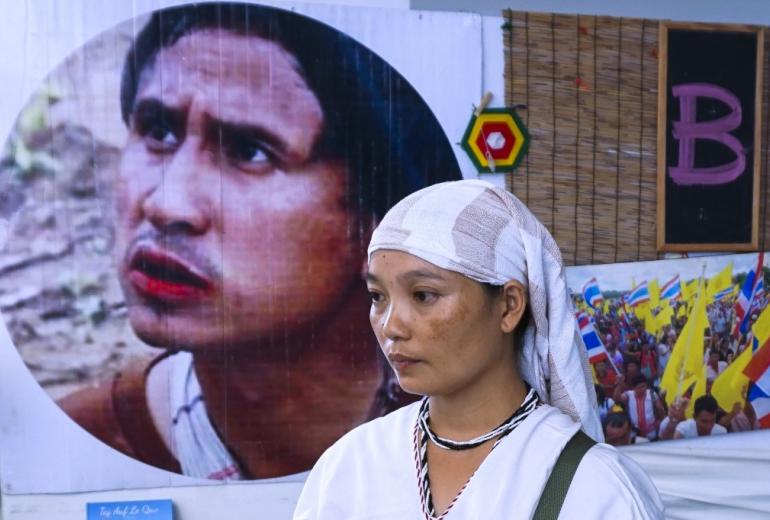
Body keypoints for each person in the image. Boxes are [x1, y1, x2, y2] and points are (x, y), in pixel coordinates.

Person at [57, 2, 461, 480]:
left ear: (377, 223)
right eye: (159, 131)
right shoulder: (77, 444)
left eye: (249, 151)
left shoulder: (468, 436)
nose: (167, 205)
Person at [295, 180, 664, 519]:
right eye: (378, 297)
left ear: (508, 306)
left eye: (424, 295)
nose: (392, 325)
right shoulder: (348, 468)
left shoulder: (593, 488)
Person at [613, 374, 665, 441]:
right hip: (635, 433)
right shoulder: (629, 395)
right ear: (634, 388)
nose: (643, 389)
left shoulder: (652, 393)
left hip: (651, 432)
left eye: (644, 386)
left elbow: (660, 408)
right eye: (639, 387)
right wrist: (619, 384)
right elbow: (616, 399)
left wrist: (661, 421)